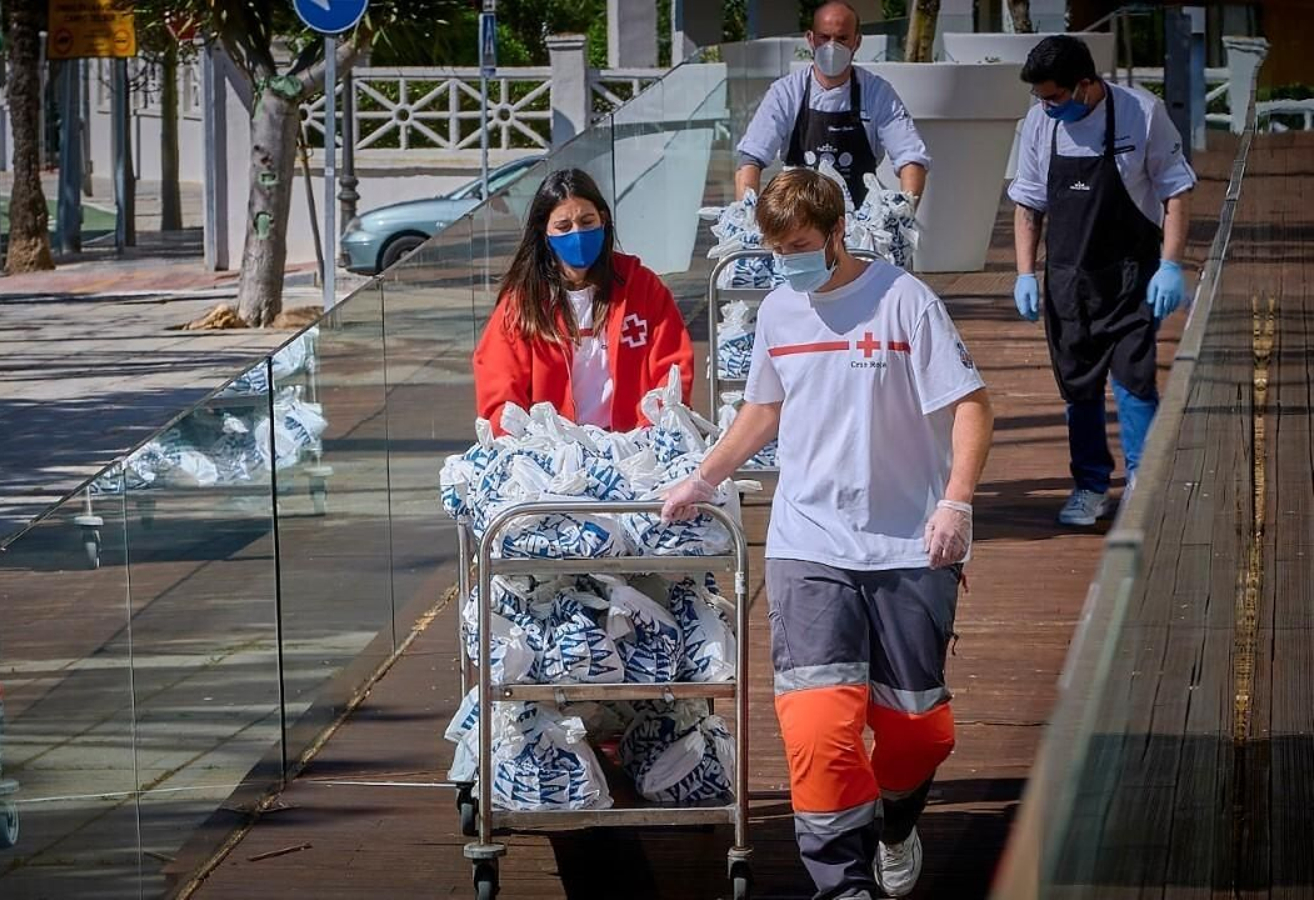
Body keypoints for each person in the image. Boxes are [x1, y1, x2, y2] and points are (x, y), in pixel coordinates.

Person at [661, 169, 994, 900]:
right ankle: (842, 884)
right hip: (808, 543)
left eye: (804, 247)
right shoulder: (780, 311)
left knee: (918, 730)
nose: (792, 264)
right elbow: (762, 410)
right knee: (817, 731)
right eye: (780, 251)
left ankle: (896, 823)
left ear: (839, 233)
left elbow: (972, 407)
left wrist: (957, 503)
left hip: (911, 542)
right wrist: (704, 476)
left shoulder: (904, 301)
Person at [1009, 35, 1196, 525]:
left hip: (1131, 273)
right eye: (1041, 98)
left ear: (1087, 84)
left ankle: (1144, 482)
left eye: (1055, 96)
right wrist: (1025, 273)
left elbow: (1175, 192)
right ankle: (1090, 485)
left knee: (1135, 379)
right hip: (1068, 279)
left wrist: (1172, 264)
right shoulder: (1038, 124)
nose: (1047, 106)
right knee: (1078, 385)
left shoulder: (1141, 112)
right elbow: (1028, 204)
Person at [474, 168, 693, 433]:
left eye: (587, 221)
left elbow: (673, 367)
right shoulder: (523, 303)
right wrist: (528, 447)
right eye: (564, 227)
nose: (577, 233)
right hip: (554, 453)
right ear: (545, 233)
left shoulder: (641, 286)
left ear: (603, 220)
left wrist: (655, 430)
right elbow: (499, 389)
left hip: (634, 444)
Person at [734, 1, 929, 208]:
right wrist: (746, 216)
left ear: (857, 42)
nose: (832, 46)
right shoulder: (785, 92)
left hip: (860, 223)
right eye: (824, 37)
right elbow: (751, 158)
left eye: (842, 38)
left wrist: (904, 212)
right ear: (810, 39)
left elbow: (910, 157)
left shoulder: (878, 93)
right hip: (796, 222)